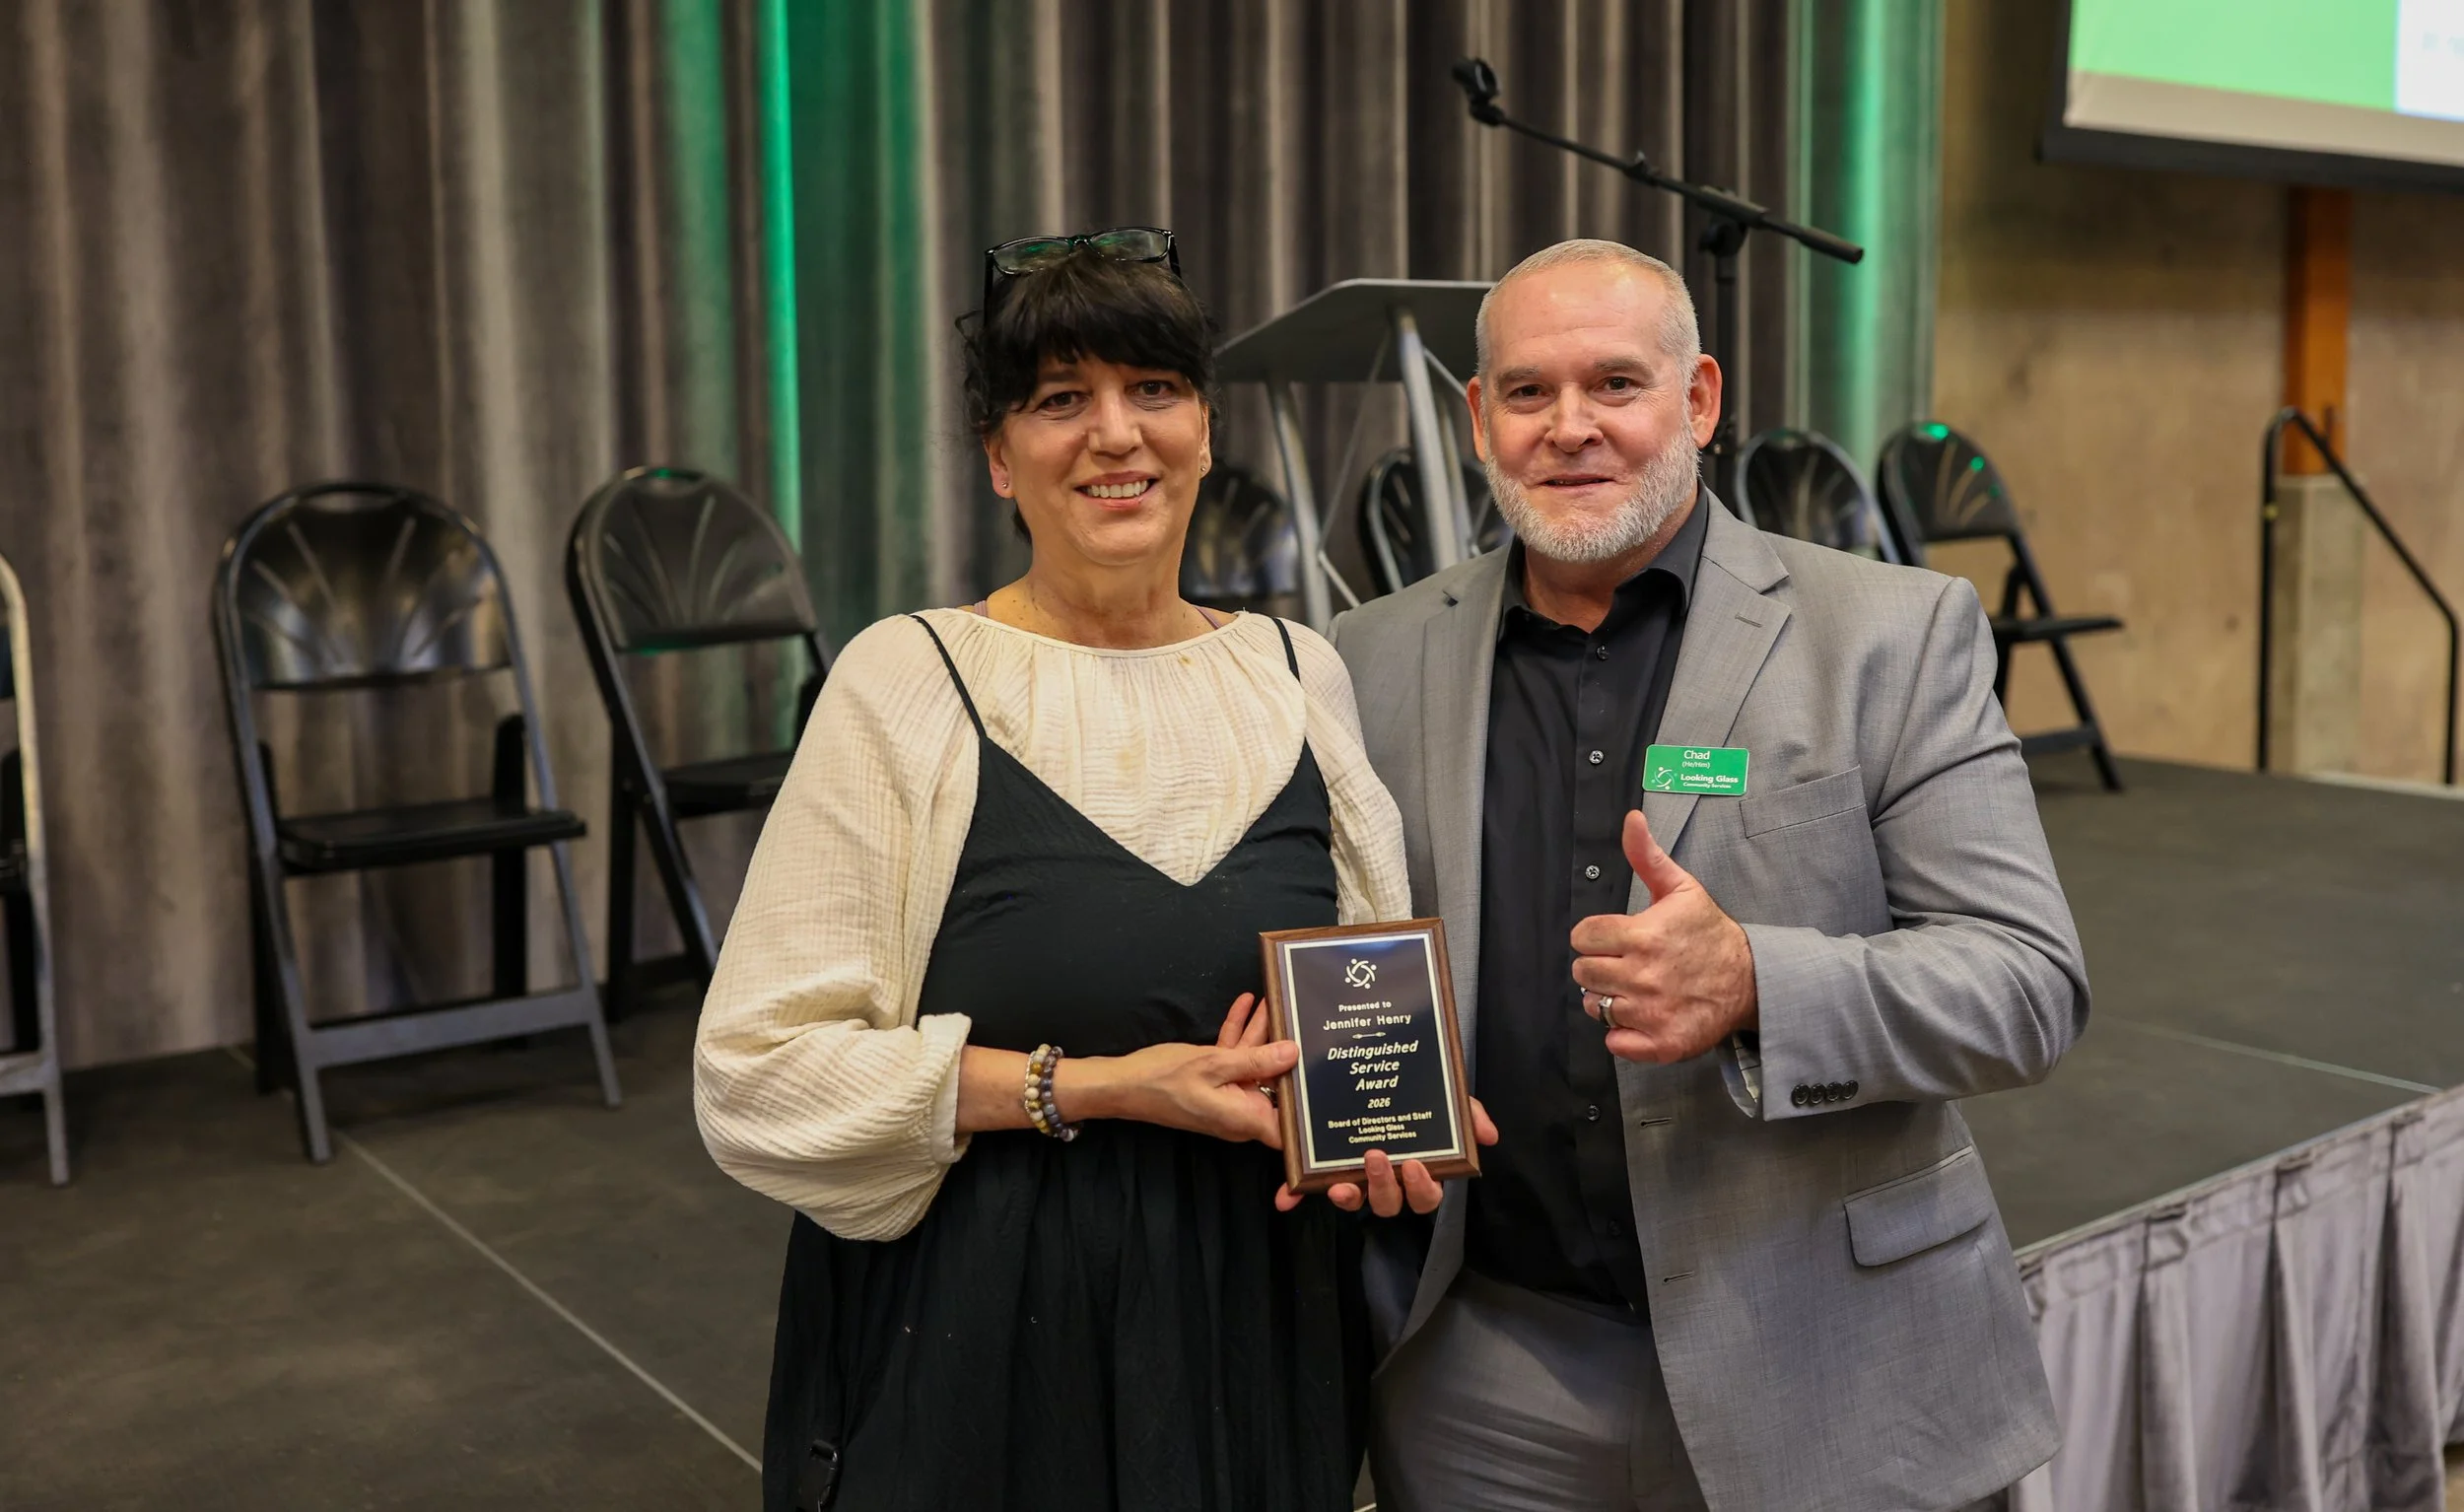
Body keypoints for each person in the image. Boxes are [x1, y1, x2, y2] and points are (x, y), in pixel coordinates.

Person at [694, 229, 1471, 1512]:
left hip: (1253, 1323)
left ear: (1205, 430)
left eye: (1153, 388)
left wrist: (1389, 1130)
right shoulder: (908, 679)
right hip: (984, 1332)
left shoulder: (1298, 671)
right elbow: (756, 1078)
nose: (1116, 434)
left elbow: (1365, 1011)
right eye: (1062, 399)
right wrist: (1103, 1087)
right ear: (1001, 457)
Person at [1332, 239, 2089, 1512]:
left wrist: (1754, 984)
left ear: (1698, 400)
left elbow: (2027, 985)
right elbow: (1352, 947)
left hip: (1821, 1354)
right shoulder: (1369, 655)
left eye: (1615, 383)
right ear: (1476, 419)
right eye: (1527, 392)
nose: (1569, 427)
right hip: (1481, 1377)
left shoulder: (1891, 635)